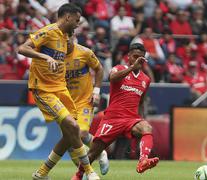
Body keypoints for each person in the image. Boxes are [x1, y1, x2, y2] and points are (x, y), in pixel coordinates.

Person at [17, 3, 100, 180]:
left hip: (61, 89)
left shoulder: (64, 37)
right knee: (72, 126)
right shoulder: (48, 31)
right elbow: (22, 48)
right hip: (44, 89)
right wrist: (44, 56)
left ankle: (42, 173)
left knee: (71, 133)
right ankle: (88, 171)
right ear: (68, 17)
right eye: (77, 20)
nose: (78, 24)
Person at [72, 43, 159, 179]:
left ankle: (143, 161)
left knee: (147, 128)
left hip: (131, 119)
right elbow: (112, 79)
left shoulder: (145, 80)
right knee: (93, 153)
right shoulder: (118, 69)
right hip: (112, 119)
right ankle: (78, 175)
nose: (138, 60)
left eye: (141, 58)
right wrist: (131, 68)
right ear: (128, 56)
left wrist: (141, 119)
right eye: (135, 57)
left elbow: (141, 102)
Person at [65, 36, 109, 175]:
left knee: (81, 133)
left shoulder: (84, 52)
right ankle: (84, 172)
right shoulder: (56, 56)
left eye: (68, 38)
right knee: (70, 141)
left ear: (73, 38)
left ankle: (99, 153)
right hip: (65, 103)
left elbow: (99, 69)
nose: (65, 41)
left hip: (84, 100)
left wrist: (96, 91)